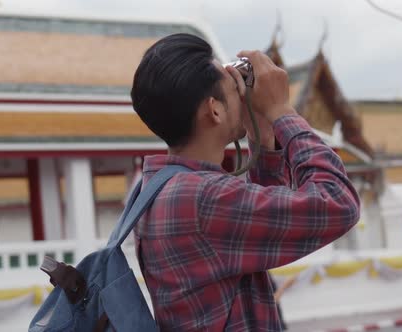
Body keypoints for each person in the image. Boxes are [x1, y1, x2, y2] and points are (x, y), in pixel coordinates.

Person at [130, 33, 360, 331]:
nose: (243, 95)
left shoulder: (158, 187)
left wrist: (262, 139)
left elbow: (265, 232)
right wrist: (281, 111)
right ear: (214, 109)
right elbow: (339, 203)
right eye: (233, 88)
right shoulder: (203, 198)